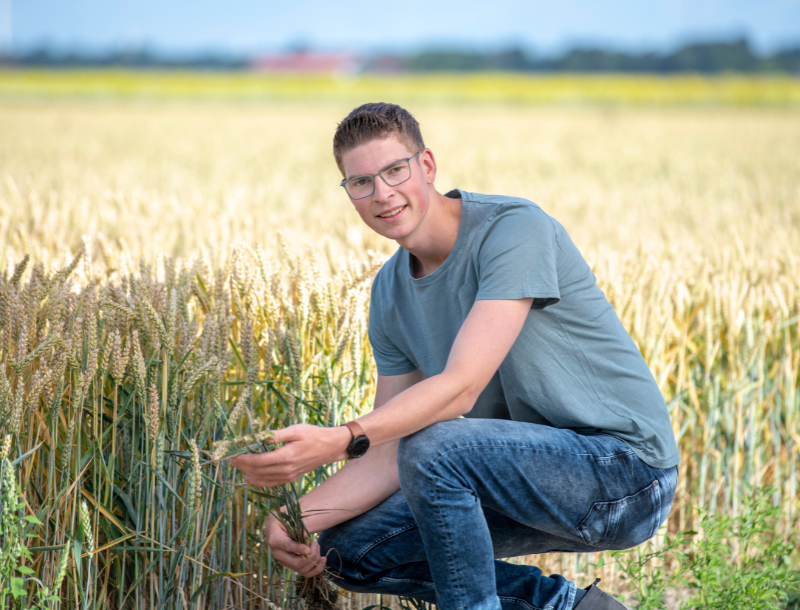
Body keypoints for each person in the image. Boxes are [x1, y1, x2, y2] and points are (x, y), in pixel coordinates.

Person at [228, 102, 680, 610]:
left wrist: (337, 440)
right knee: (347, 551)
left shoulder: (514, 229)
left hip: (626, 475)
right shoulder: (389, 293)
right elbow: (386, 449)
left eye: (394, 170)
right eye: (361, 182)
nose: (382, 193)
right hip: (523, 479)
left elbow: (462, 387)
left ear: (427, 165)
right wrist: (292, 519)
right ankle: (569, 607)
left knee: (437, 446)